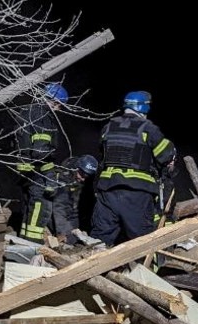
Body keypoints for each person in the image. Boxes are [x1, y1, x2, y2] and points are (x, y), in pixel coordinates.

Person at [91, 91, 177, 246]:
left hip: (107, 191)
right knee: (141, 243)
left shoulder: (108, 128)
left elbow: (103, 156)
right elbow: (167, 156)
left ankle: (89, 269)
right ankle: (142, 269)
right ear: (144, 108)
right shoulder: (148, 129)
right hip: (137, 193)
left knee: (99, 240)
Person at [15, 82, 68, 234]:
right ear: (54, 101)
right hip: (36, 169)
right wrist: (50, 174)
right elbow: (40, 151)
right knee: (39, 204)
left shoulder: (27, 111)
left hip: (25, 168)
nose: (59, 109)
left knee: (28, 205)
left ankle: (23, 238)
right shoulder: (43, 115)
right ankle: (31, 242)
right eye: (59, 105)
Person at [20, 155, 98, 246]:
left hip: (70, 212)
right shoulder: (63, 178)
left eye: (87, 176)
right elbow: (59, 208)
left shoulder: (86, 182)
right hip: (53, 212)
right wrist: (66, 233)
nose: (83, 179)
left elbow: (80, 207)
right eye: (82, 174)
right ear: (76, 168)